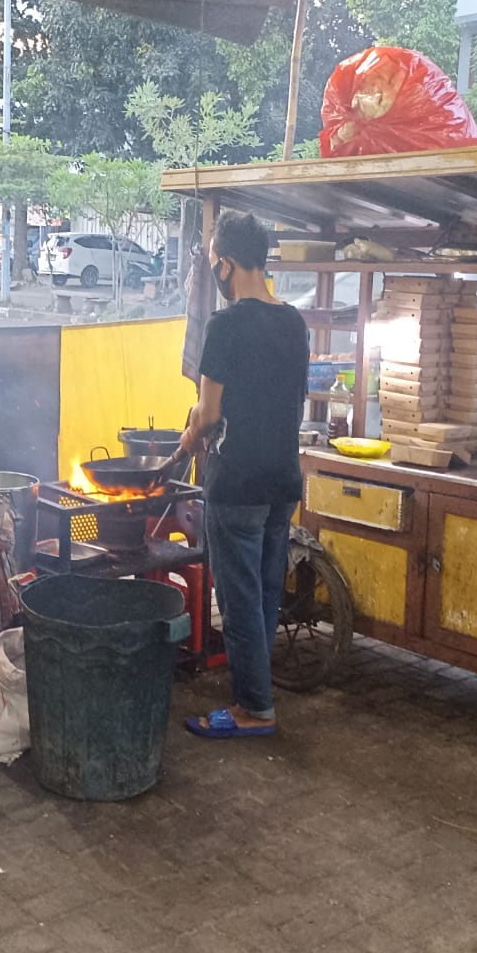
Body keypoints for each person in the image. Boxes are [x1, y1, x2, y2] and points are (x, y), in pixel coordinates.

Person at [180, 211, 307, 738]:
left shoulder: (225, 325)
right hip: (282, 479)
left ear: (227, 264)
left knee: (237, 601)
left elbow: (209, 415)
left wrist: (188, 437)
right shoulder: (294, 321)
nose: (215, 272)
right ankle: (260, 696)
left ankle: (254, 708)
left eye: (214, 264)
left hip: (236, 483)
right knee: (264, 597)